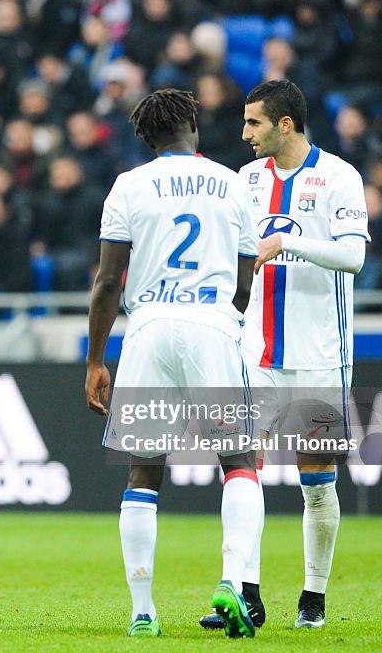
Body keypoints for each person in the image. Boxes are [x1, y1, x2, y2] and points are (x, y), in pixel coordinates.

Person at [86, 88, 262, 639]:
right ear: (192, 122)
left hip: (148, 329)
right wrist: (220, 317)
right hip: (210, 321)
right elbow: (243, 279)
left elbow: (109, 281)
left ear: (145, 135)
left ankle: (143, 610)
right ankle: (232, 581)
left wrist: (94, 358)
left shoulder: (129, 185)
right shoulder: (233, 184)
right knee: (240, 460)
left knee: (144, 472)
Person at [201, 79, 369, 632]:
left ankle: (312, 599)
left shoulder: (339, 177)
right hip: (255, 353)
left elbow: (353, 258)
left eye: (253, 123)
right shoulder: (245, 180)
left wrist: (287, 242)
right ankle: (245, 594)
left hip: (320, 353)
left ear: (285, 124)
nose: (243, 133)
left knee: (316, 477)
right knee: (243, 468)